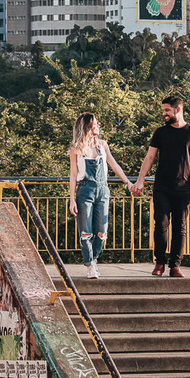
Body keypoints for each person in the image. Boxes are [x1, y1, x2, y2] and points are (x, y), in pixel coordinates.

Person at [130, 95, 190, 278]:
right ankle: (160, 263)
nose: (164, 113)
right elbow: (149, 158)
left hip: (184, 188)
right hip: (162, 187)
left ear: (177, 110)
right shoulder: (160, 133)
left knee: (180, 227)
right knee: (161, 225)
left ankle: (175, 265)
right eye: (163, 110)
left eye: (167, 110)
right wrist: (140, 180)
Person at [68, 112, 132, 279]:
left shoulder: (102, 145)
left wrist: (127, 182)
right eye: (95, 124)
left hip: (103, 191)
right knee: (86, 232)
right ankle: (90, 264)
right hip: (84, 191)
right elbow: (73, 174)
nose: (98, 126)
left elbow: (113, 164)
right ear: (87, 127)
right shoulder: (76, 149)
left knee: (102, 231)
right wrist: (72, 199)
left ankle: (94, 258)